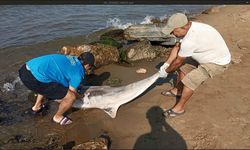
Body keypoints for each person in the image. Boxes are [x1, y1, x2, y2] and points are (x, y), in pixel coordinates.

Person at [158, 13, 231, 117]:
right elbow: (177, 48)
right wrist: (166, 64)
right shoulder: (189, 29)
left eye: (173, 30)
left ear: (183, 27)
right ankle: (178, 90)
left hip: (217, 62)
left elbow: (178, 61)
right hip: (206, 55)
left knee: (190, 80)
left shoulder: (190, 40)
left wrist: (166, 71)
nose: (171, 33)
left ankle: (179, 109)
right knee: (183, 67)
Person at [19, 52, 95, 125]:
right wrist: (80, 96)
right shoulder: (78, 73)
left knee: (48, 78)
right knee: (71, 97)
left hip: (24, 69)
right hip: (33, 80)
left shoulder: (71, 58)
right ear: (87, 65)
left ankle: (37, 106)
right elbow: (72, 92)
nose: (89, 69)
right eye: (90, 67)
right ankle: (57, 117)